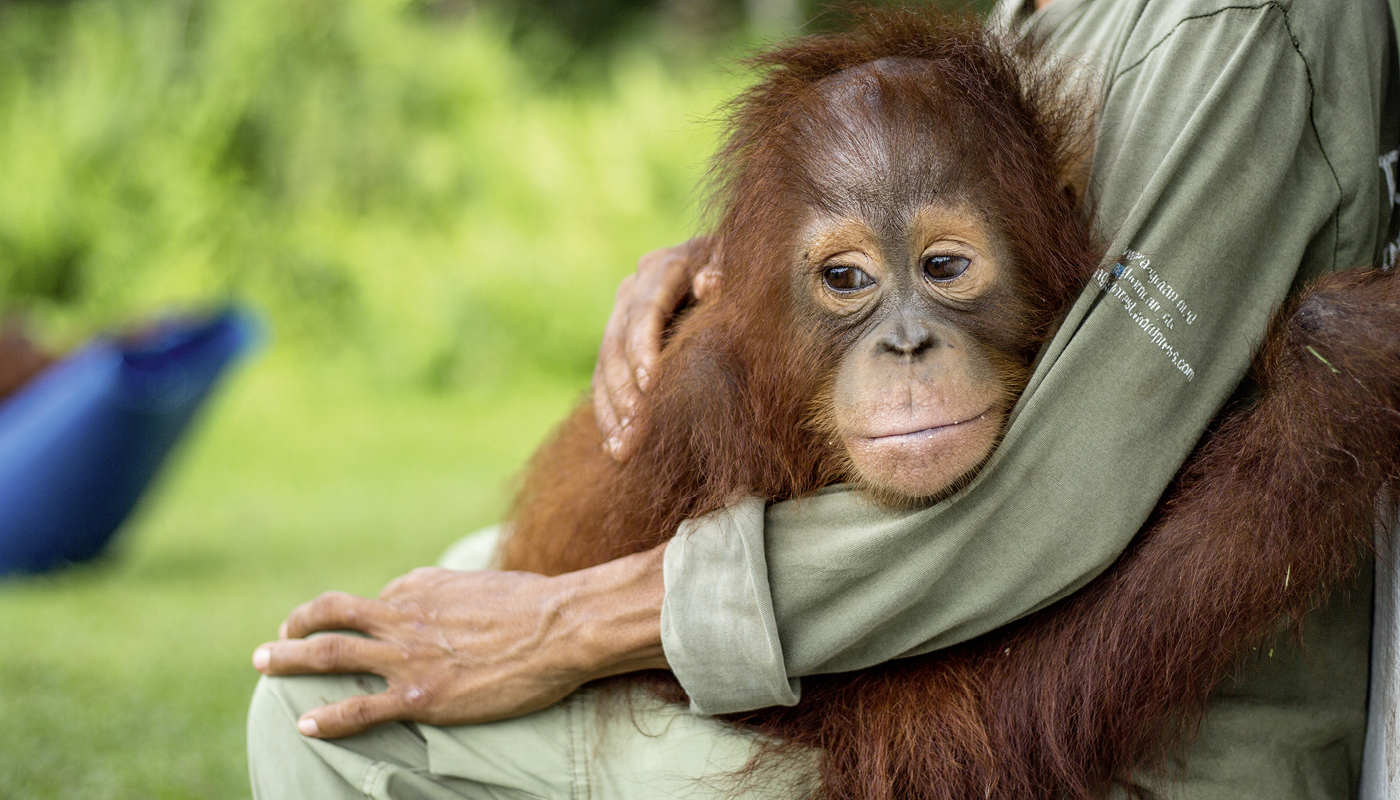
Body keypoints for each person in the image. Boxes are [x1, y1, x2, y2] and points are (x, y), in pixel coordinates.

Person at [247, 0, 1400, 796]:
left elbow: (1046, 538)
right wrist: (739, 262)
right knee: (446, 580)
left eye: (944, 268)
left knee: (327, 705)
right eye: (843, 282)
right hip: (884, 683)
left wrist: (571, 621)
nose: (906, 342)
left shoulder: (1229, 32)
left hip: (1109, 737)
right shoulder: (1053, 22)